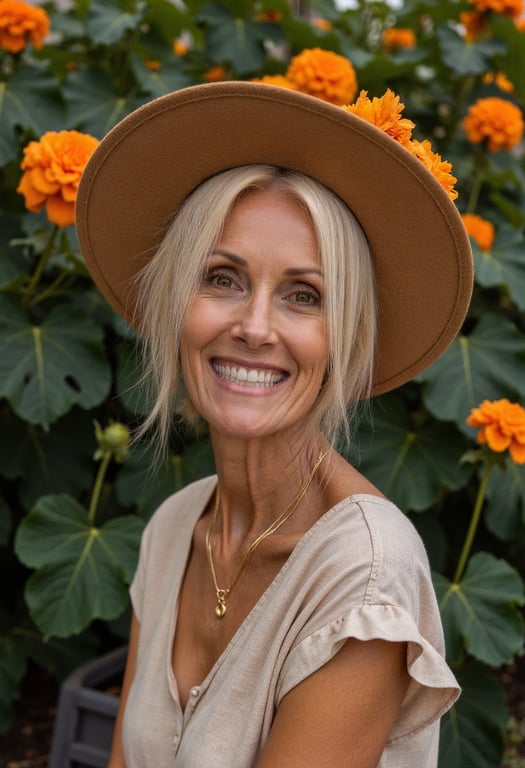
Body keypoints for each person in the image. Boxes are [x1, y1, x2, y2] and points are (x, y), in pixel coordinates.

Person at [76, 82, 473, 768]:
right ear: (174, 303)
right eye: (222, 279)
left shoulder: (364, 576)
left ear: (345, 339)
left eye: (303, 295)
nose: (255, 327)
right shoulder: (173, 528)